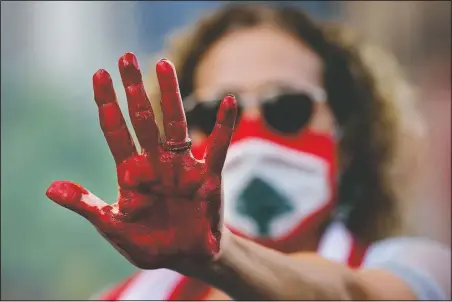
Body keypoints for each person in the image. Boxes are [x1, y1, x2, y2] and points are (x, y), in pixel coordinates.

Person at [45, 4, 450, 301]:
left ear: (349, 136)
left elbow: (353, 297)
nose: (253, 135)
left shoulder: (424, 269)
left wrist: (216, 252)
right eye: (217, 112)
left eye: (287, 108)